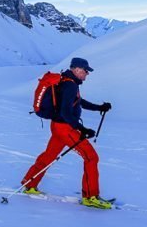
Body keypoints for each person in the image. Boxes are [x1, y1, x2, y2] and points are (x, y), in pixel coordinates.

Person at [21, 57, 113, 209]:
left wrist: (99, 107)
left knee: (48, 156)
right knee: (91, 157)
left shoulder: (67, 82)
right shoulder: (70, 85)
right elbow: (65, 112)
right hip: (65, 128)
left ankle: (30, 184)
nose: (87, 74)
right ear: (76, 69)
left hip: (58, 126)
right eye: (85, 71)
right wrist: (82, 129)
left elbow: (78, 102)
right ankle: (90, 197)